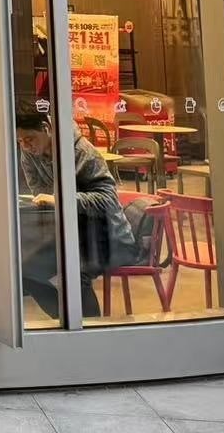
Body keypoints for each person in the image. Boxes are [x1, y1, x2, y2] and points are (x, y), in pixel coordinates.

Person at [13, 107, 136, 319]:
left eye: (29, 139)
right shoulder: (29, 154)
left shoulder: (83, 153)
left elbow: (108, 200)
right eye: (20, 141)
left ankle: (89, 329)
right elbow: (40, 194)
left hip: (107, 235)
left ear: (46, 128)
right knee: (24, 269)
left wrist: (61, 200)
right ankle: (66, 319)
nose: (25, 147)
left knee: (74, 274)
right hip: (71, 234)